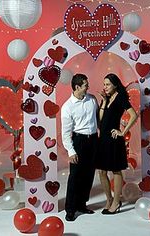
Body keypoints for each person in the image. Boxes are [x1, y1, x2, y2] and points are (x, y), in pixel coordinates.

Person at [96, 73, 138, 215]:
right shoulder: (107, 99)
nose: (105, 87)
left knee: (115, 170)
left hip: (114, 139)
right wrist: (103, 102)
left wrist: (123, 132)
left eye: (107, 84)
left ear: (115, 84)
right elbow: (100, 122)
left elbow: (134, 115)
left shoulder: (120, 97)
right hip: (102, 140)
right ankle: (109, 199)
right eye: (104, 84)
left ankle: (116, 202)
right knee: (101, 171)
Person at [61, 74, 98, 221]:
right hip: (79, 141)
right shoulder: (67, 107)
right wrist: (71, 151)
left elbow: (98, 119)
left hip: (93, 140)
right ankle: (70, 209)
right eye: (85, 85)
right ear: (77, 87)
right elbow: (65, 133)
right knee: (75, 176)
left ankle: (82, 205)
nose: (88, 87)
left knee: (89, 174)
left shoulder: (93, 100)